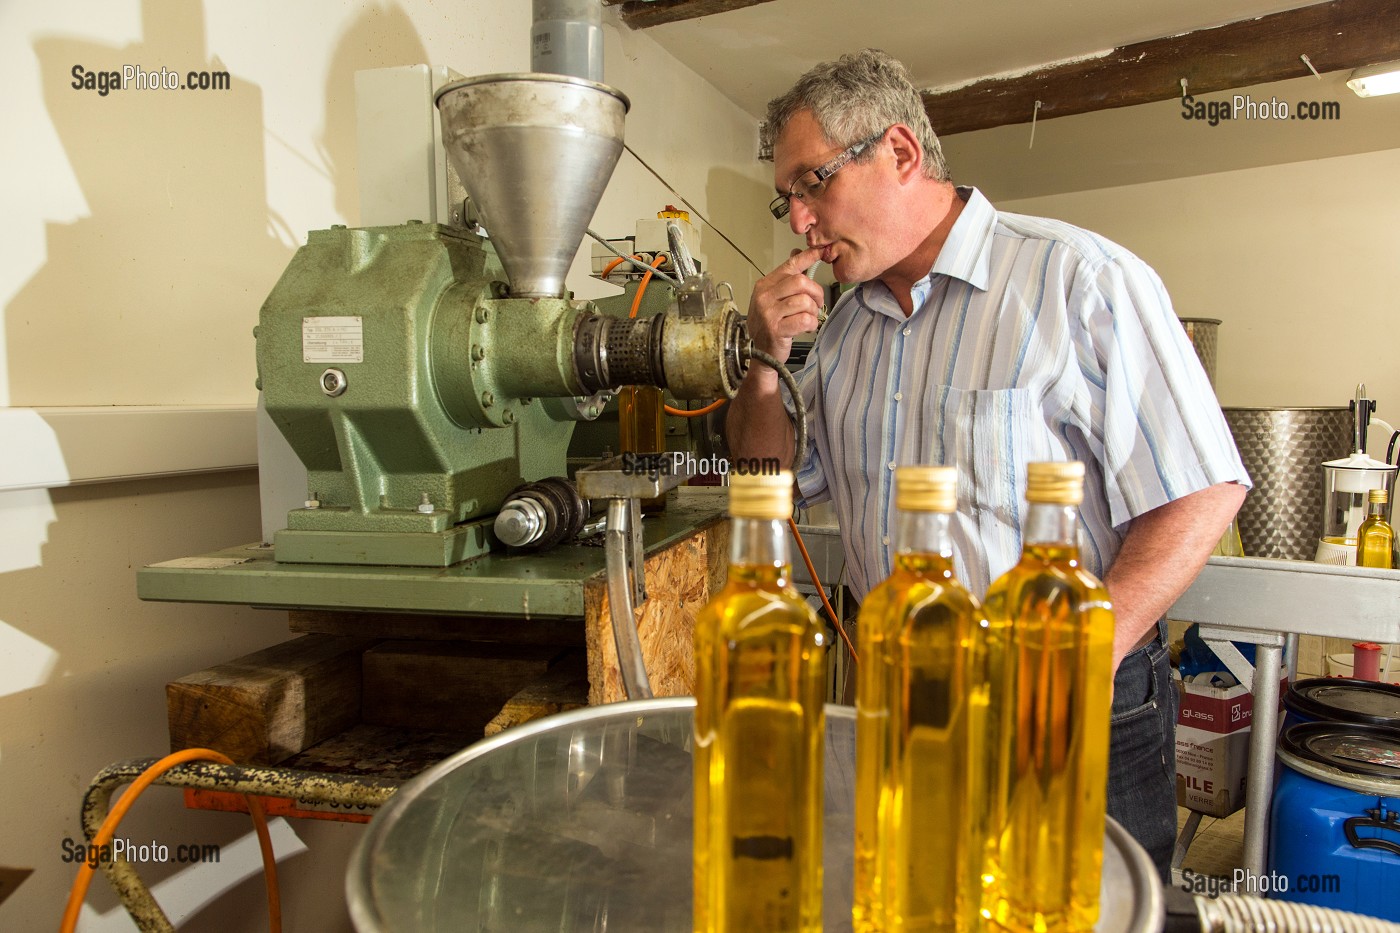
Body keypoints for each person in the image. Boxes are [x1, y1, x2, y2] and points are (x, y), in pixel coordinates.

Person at [726, 48, 1249, 881]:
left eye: (812, 184)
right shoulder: (846, 331)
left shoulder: (1081, 278)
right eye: (785, 196)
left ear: (898, 152)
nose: (797, 220)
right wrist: (762, 361)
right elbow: (766, 488)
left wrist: (1088, 648)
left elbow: (1205, 486)